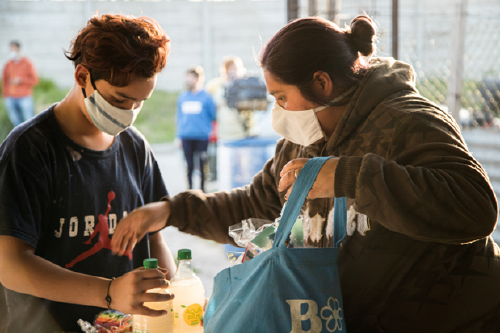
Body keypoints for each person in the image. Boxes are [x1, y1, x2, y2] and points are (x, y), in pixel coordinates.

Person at [111, 16, 500, 332]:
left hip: (456, 317)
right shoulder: (304, 138)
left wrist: (348, 177)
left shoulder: (408, 120)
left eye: (281, 97)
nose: (276, 111)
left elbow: (475, 208)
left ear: (321, 82)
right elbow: (258, 204)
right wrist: (171, 211)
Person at [0, 14, 177, 332]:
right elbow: (10, 264)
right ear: (83, 76)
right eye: (119, 99)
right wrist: (108, 293)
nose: (129, 114)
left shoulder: (135, 147)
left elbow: (155, 237)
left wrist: (175, 300)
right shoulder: (29, 150)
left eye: (140, 102)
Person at [176, 66, 216, 192]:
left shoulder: (207, 97)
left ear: (198, 79)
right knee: (189, 166)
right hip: (186, 136)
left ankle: (203, 191)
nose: (188, 81)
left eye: (190, 78)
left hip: (202, 137)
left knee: (203, 165)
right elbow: (179, 117)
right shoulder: (182, 97)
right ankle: (190, 191)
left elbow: (213, 117)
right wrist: (178, 137)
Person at [2, 40, 39, 127]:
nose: (11, 51)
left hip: (24, 97)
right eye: (10, 49)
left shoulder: (27, 63)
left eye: (13, 49)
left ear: (18, 49)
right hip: (10, 97)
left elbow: (35, 80)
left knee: (28, 121)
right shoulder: (8, 64)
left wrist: (21, 80)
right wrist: (5, 95)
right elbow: (4, 80)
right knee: (16, 123)